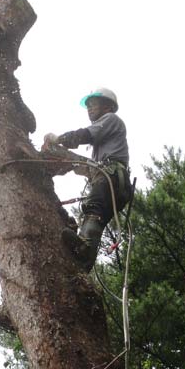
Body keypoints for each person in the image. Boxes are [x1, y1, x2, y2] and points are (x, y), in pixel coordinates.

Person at [42, 87, 132, 271]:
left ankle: (84, 249)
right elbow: (87, 165)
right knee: (95, 218)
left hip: (112, 175)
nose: (90, 109)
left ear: (107, 106)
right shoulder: (106, 137)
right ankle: (84, 264)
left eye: (94, 104)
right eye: (88, 106)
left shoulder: (110, 120)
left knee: (93, 210)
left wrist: (58, 139)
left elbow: (85, 135)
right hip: (115, 182)